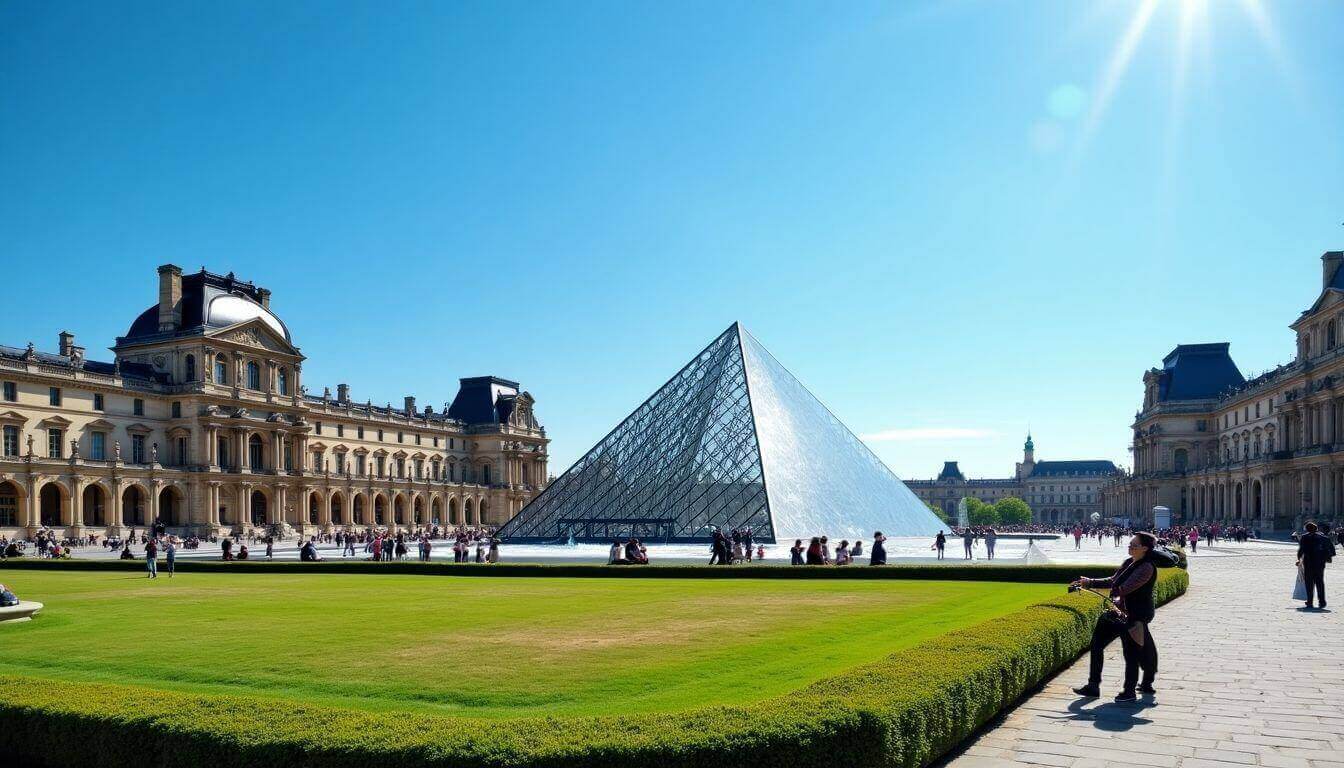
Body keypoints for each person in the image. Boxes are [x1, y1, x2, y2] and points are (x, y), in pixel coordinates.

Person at [1071, 532, 1161, 702]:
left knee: (1131, 654)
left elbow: (1124, 588)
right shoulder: (1129, 562)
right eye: (1130, 544)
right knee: (1096, 644)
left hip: (1134, 616)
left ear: (1144, 548)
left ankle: (1130, 691)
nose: (1130, 546)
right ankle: (1093, 686)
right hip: (1118, 612)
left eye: (1134, 545)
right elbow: (1113, 580)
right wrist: (1090, 582)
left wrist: (1113, 592)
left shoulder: (1147, 567)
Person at [1297, 521, 1335, 610]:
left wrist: (1299, 560)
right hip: (1320, 563)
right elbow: (1332, 551)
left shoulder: (1304, 537)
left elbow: (1301, 550)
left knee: (1309, 583)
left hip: (1308, 563)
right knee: (1319, 582)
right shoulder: (1324, 538)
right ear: (1316, 529)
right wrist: (1324, 557)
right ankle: (1322, 601)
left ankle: (1309, 601)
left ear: (1307, 529)